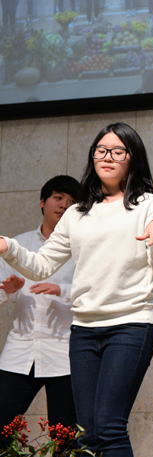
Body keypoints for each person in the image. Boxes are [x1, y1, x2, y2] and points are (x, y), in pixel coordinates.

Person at [0, 121, 153, 457]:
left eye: (118, 151)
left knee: (110, 427)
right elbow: (41, 265)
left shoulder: (149, 204)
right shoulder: (77, 213)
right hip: (82, 331)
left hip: (130, 326)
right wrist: (8, 246)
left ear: (133, 158)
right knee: (88, 434)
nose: (107, 157)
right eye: (101, 150)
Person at [0, 175, 80, 432]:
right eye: (58, 198)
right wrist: (8, 291)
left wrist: (61, 290)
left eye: (72, 202)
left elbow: (97, 291)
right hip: (20, 350)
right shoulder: (18, 245)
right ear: (42, 202)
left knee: (64, 436)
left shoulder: (82, 248)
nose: (64, 205)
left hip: (65, 353)